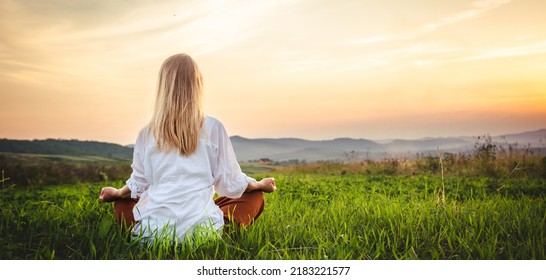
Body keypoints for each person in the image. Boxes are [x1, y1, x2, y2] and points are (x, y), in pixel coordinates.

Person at [99, 53, 277, 242]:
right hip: (204, 234)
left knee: (122, 203)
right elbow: (229, 182)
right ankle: (218, 232)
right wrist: (259, 185)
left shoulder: (146, 132)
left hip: (152, 233)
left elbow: (140, 183)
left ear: (162, 87)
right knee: (254, 196)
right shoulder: (213, 126)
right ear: (197, 85)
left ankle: (146, 229)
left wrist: (118, 193)